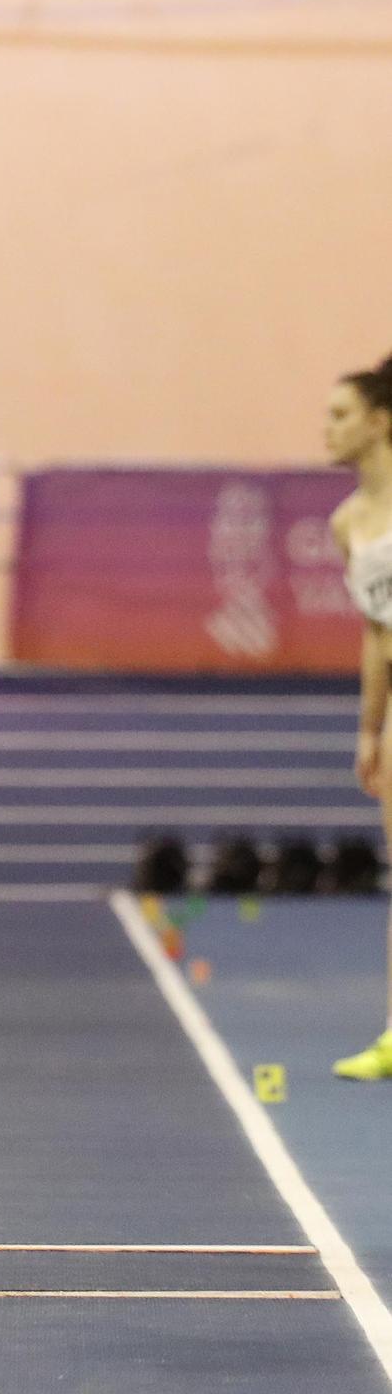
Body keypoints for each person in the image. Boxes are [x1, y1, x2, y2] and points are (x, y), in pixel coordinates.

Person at [326, 356, 392, 1081]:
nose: (325, 430)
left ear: (379, 424)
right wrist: (369, 730)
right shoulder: (347, 523)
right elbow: (375, 634)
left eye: (339, 416)